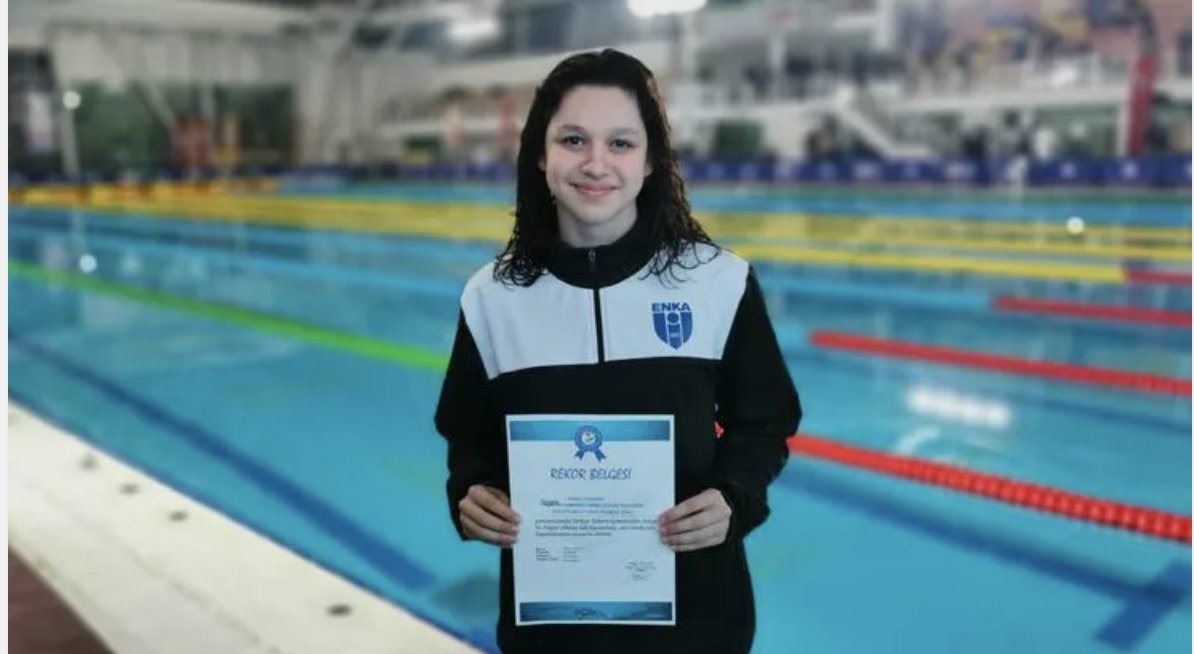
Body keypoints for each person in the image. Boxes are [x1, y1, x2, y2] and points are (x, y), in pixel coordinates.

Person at [435, 48, 802, 654]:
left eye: (621, 143)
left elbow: (765, 422)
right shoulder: (493, 297)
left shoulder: (717, 282)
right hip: (551, 625)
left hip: (699, 620)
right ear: (540, 153)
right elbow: (468, 435)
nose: (596, 163)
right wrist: (471, 493)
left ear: (651, 160)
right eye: (573, 139)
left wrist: (734, 498)